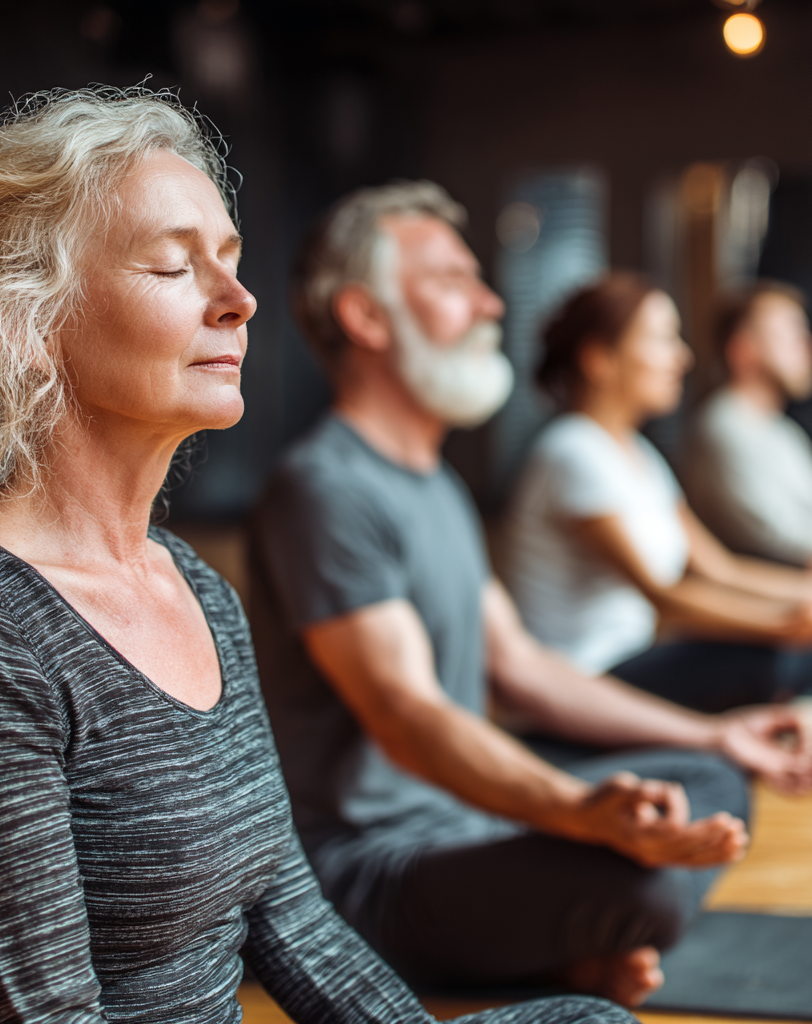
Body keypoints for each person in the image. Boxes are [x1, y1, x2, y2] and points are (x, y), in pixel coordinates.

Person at [0, 90, 631, 1024]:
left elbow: (294, 924)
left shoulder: (200, 592)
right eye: (174, 267)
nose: (239, 301)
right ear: (30, 323)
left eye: (229, 261)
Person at [249, 181, 812, 1010]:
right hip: (366, 874)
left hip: (464, 824)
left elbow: (519, 667)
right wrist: (579, 809)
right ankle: (534, 950)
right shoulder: (325, 488)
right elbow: (406, 715)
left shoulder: (433, 483)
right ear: (367, 318)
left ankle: (552, 953)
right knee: (646, 891)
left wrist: (718, 734)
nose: (488, 303)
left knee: (713, 783)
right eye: (451, 281)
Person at [505, 273, 812, 712]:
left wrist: (803, 599)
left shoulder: (641, 456)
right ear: (599, 359)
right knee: (770, 658)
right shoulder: (572, 452)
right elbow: (662, 595)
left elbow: (720, 569)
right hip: (585, 678)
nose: (682, 358)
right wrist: (782, 626)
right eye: (662, 340)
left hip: (634, 658)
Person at [684, 281, 812, 567]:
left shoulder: (782, 429)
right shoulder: (723, 425)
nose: (806, 345)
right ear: (743, 350)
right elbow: (774, 538)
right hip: (771, 595)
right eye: (789, 334)